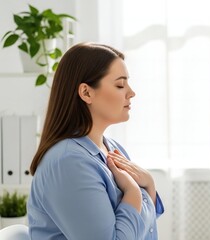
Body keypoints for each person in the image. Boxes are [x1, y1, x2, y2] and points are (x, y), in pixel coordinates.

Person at [27, 42, 164, 240]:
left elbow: (144, 231)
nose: (131, 93)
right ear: (86, 93)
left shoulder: (114, 149)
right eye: (120, 85)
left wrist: (149, 186)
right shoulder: (69, 162)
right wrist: (135, 192)